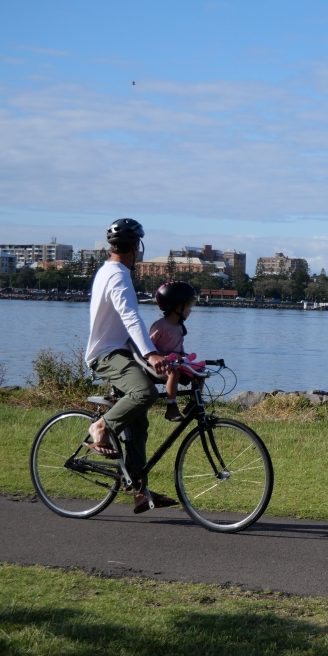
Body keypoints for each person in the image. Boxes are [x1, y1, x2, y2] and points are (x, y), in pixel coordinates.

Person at [84, 218, 179, 514]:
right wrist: (151, 354)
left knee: (138, 424)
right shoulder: (118, 276)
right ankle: (100, 426)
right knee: (145, 394)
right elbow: (130, 318)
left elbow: (127, 322)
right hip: (107, 355)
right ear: (137, 247)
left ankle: (140, 491)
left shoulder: (108, 271)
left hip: (120, 353)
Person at [150, 281, 200, 421]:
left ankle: (193, 404)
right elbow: (147, 347)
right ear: (178, 307)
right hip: (158, 365)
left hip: (175, 362)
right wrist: (157, 357)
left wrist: (184, 357)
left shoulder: (179, 327)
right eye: (189, 307)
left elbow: (179, 348)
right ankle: (171, 407)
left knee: (200, 372)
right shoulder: (160, 326)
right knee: (174, 373)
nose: (191, 310)